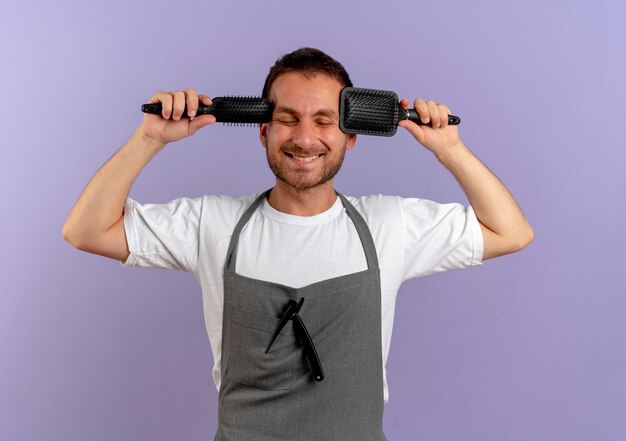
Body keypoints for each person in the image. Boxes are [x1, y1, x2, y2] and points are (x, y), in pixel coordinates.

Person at [63, 47, 533, 441]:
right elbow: (86, 230)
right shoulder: (213, 223)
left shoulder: (390, 225)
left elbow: (511, 232)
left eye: (324, 121)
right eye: (288, 119)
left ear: (351, 136)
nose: (305, 138)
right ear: (263, 130)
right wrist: (150, 138)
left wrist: (449, 149)